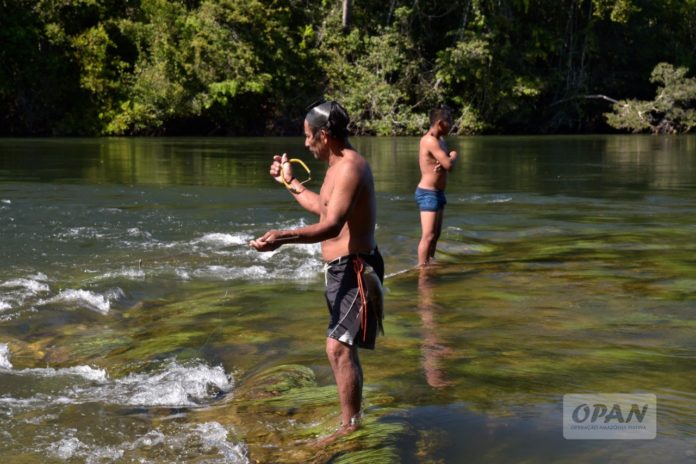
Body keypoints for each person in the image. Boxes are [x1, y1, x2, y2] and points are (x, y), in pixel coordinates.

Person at [249, 101, 384, 437]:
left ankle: (350, 429)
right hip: (341, 269)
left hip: (356, 268)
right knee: (340, 346)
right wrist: (290, 183)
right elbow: (323, 208)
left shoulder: (351, 167)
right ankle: (352, 421)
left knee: (338, 347)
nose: (306, 144)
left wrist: (283, 237)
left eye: (309, 137)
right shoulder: (336, 164)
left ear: (324, 135)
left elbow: (332, 226)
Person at [415, 107, 458, 266]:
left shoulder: (441, 140)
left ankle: (430, 262)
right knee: (428, 236)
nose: (451, 125)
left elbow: (445, 163)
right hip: (428, 193)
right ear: (440, 123)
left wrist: (448, 158)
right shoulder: (429, 140)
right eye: (449, 122)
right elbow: (449, 165)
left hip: (438, 193)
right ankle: (422, 268)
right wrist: (453, 155)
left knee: (436, 235)